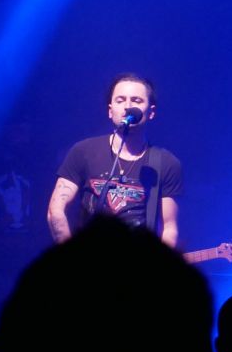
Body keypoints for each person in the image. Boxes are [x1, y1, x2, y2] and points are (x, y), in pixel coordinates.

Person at [46, 73, 182, 247]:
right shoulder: (83, 151)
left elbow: (169, 228)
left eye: (136, 101)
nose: (128, 107)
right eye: (120, 100)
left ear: (151, 112)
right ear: (110, 111)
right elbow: (56, 210)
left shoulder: (166, 163)